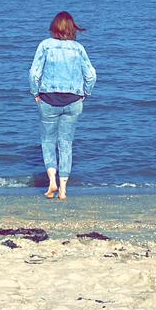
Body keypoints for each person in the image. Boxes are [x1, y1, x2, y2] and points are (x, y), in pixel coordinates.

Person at [27, 11, 97, 200]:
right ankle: (64, 189)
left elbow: (34, 74)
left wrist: (35, 93)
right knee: (66, 144)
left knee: (48, 142)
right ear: (71, 28)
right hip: (73, 101)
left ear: (54, 27)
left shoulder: (45, 45)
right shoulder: (78, 48)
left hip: (48, 100)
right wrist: (85, 94)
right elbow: (91, 75)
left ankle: (52, 182)